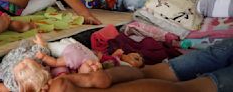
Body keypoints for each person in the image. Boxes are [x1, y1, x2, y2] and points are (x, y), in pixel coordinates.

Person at [47, 38, 233, 92]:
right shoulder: (60, 85)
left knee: (214, 59)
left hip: (159, 75)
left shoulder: (60, 83)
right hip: (164, 80)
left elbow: (138, 75)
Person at [0, 34, 103, 92]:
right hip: (16, 59)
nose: (22, 64)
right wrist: (41, 44)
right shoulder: (37, 64)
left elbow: (6, 87)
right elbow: (45, 52)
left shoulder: (14, 81)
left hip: (12, 61)